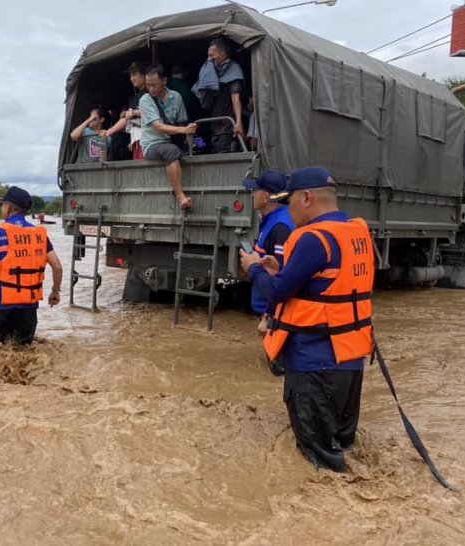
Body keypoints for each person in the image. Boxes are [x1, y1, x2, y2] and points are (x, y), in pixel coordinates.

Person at [239, 167, 374, 472]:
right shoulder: (356, 231)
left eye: (291, 202)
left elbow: (277, 293)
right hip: (350, 361)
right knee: (342, 446)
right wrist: (280, 272)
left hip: (314, 364)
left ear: (307, 198)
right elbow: (328, 283)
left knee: (317, 460)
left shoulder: (313, 237)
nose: (289, 210)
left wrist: (255, 268)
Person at [0, 186, 64, 362]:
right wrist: (55, 291)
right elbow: (57, 267)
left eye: (2, 205)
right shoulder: (39, 235)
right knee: (23, 357)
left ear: (8, 207)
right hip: (28, 309)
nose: (1, 209)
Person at [242, 170, 294, 343]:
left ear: (265, 196)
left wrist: (269, 315)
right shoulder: (273, 219)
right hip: (273, 312)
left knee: (278, 365)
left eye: (255, 191)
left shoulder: (280, 227)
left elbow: (284, 277)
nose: (252, 195)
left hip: (276, 317)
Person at [138, 64, 198, 209]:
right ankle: (181, 197)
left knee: (184, 150)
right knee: (170, 151)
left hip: (172, 141)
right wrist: (183, 130)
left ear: (164, 81)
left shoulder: (176, 97)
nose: (151, 89)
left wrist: (190, 131)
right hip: (152, 144)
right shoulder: (145, 100)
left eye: (154, 85)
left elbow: (183, 121)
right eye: (148, 85)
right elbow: (158, 127)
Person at [204, 38, 245, 154]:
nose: (209, 59)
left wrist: (238, 122)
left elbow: (235, 98)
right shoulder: (212, 71)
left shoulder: (233, 70)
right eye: (208, 56)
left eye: (212, 56)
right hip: (214, 120)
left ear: (222, 55)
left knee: (224, 149)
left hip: (227, 121)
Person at [100, 61, 148, 160]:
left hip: (147, 140)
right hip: (137, 140)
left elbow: (128, 119)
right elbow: (127, 119)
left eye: (134, 74)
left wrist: (109, 132)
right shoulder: (135, 97)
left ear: (144, 75)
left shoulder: (149, 94)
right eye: (130, 76)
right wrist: (110, 131)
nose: (131, 78)